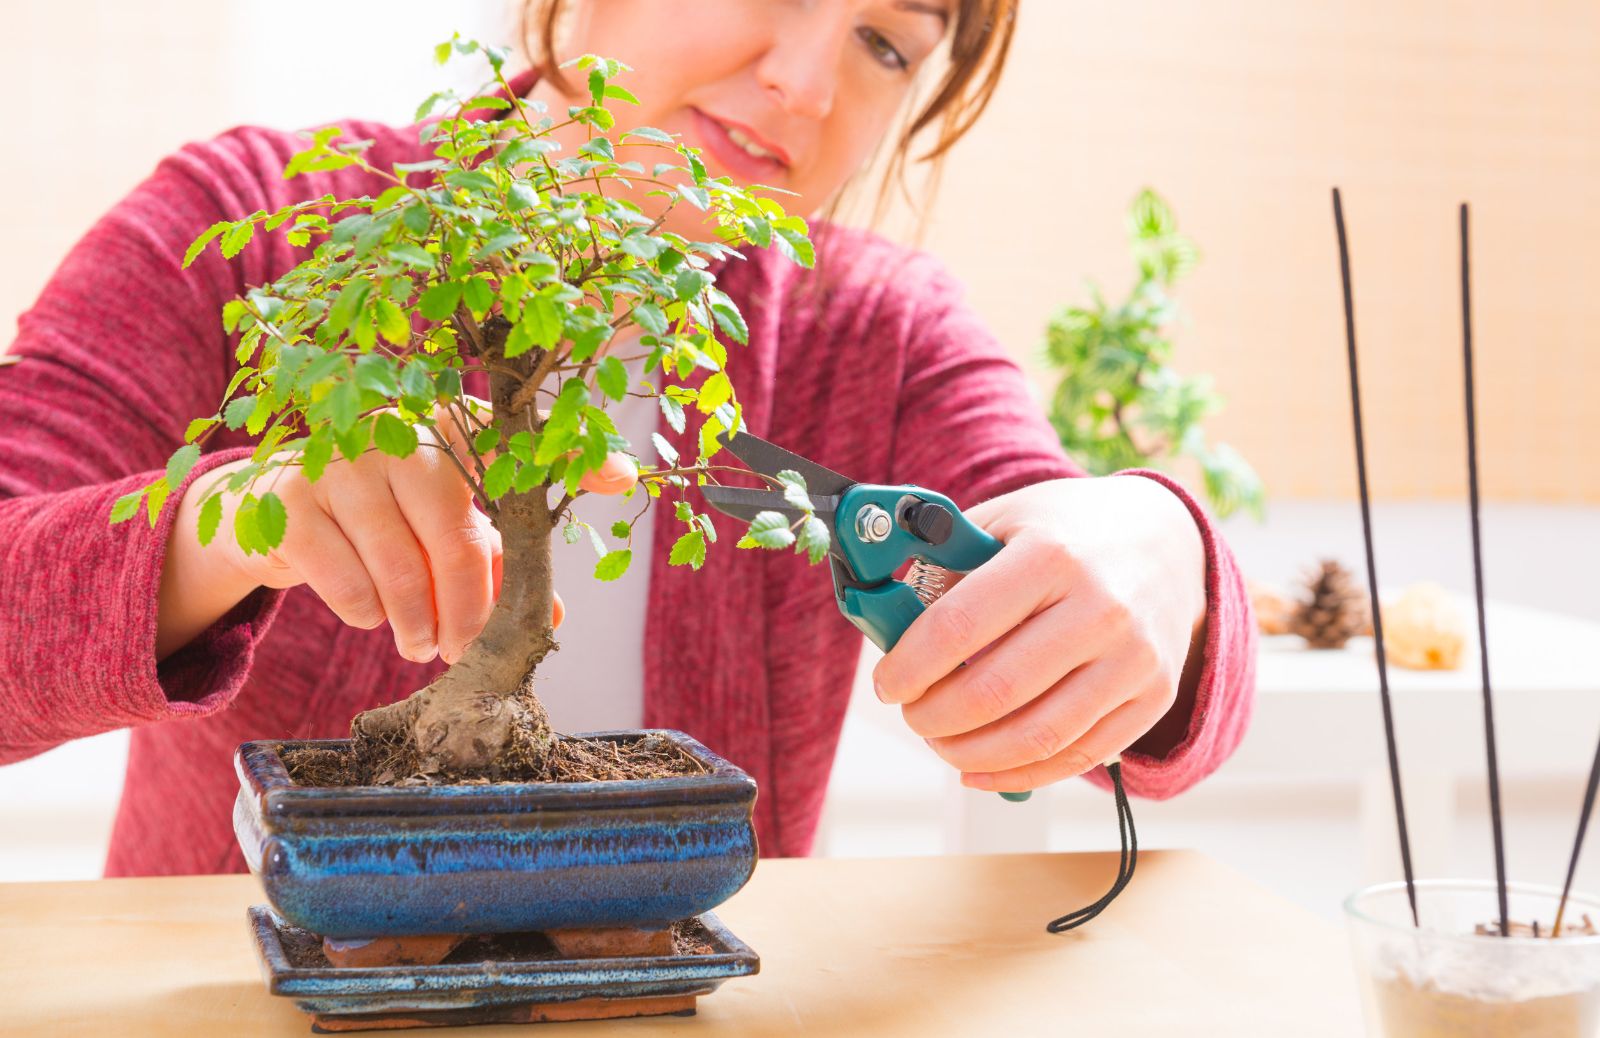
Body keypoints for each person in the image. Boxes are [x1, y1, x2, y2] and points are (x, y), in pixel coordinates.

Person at [0, 0, 1255, 876]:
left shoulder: (877, 333)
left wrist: (1156, 552)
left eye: (884, 42)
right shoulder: (262, 225)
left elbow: (1078, 581)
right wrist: (236, 521)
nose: (809, 84)